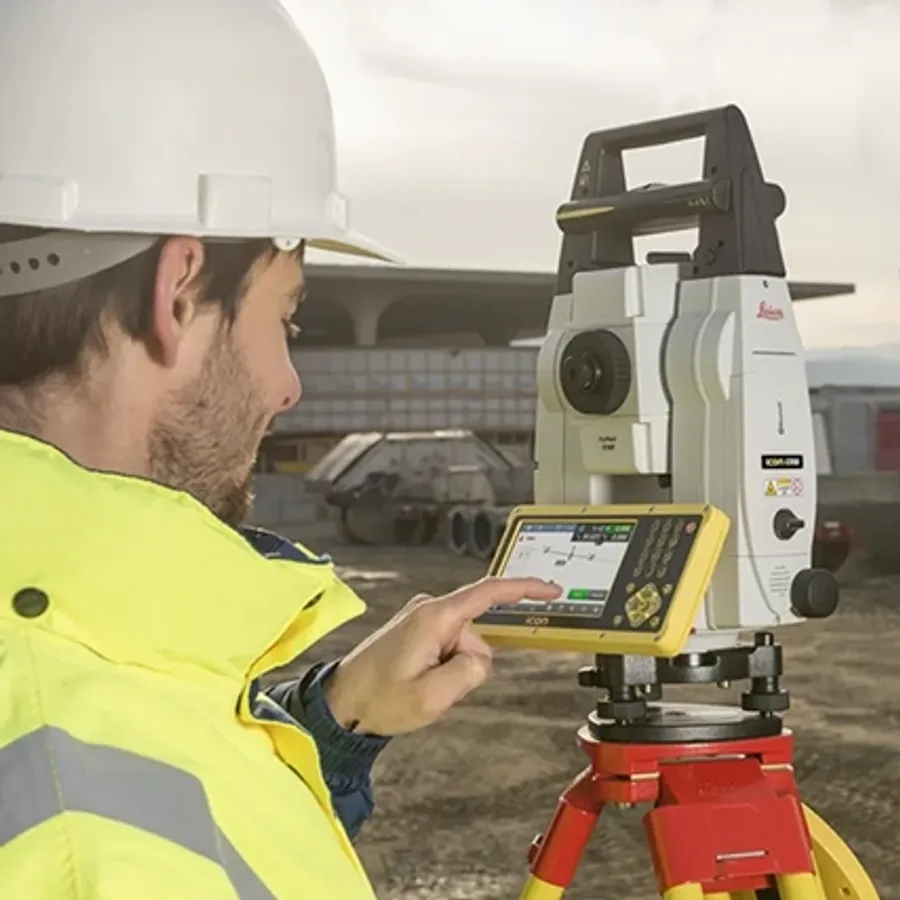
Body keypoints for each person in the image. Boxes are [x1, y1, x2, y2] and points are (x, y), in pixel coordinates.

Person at [0, 2, 562, 898]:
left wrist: (336, 721)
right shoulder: (84, 835)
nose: (288, 385)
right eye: (286, 317)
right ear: (179, 290)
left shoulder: (70, 698)